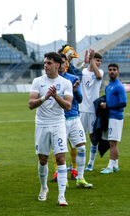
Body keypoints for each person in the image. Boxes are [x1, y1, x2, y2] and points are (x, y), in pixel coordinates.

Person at [28, 52, 73, 206]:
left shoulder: (65, 83)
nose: (45, 66)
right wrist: (45, 97)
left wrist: (55, 96)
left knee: (60, 158)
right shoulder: (37, 81)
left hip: (58, 124)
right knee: (43, 160)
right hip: (41, 124)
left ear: (57, 65)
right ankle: (43, 188)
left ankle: (62, 196)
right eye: (45, 63)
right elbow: (31, 104)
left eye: (49, 63)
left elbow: (68, 106)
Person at [51, 54, 93, 188]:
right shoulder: (53, 80)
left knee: (81, 148)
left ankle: (80, 178)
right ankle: (62, 178)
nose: (64, 64)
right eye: (61, 62)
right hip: (60, 120)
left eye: (65, 62)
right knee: (60, 151)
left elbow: (80, 99)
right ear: (57, 64)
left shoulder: (73, 78)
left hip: (74, 118)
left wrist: (75, 90)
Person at [79, 49, 104, 171]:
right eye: (97, 60)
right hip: (82, 109)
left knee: (92, 136)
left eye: (100, 61)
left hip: (93, 110)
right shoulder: (83, 72)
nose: (98, 63)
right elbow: (76, 74)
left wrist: (92, 60)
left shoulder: (100, 72)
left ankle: (91, 163)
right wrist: (85, 62)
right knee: (78, 137)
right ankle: (76, 164)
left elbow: (98, 76)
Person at [100, 63, 127, 174]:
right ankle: (115, 165)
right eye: (110, 69)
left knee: (112, 142)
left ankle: (110, 167)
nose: (112, 71)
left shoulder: (119, 86)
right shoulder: (110, 85)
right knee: (112, 141)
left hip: (116, 117)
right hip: (110, 116)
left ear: (118, 72)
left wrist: (108, 106)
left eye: (114, 70)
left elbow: (123, 103)